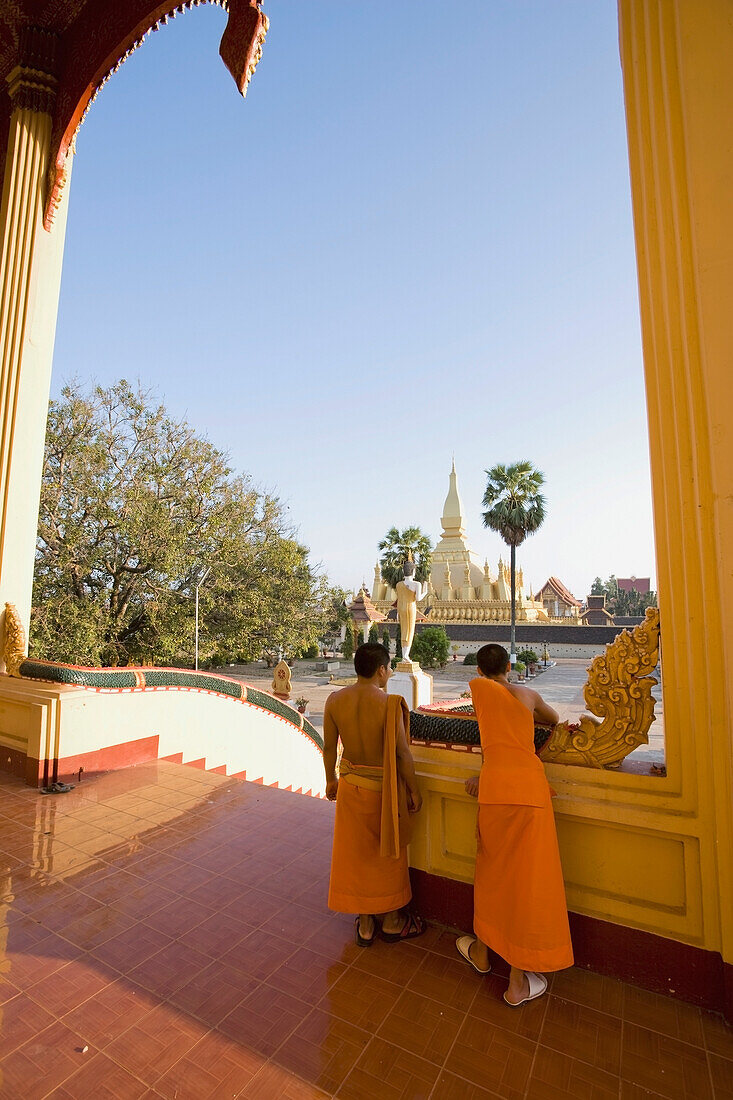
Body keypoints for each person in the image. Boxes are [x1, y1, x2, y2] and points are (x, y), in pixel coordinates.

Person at [456, 643, 573, 1005]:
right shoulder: (528, 693)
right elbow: (553, 719)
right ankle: (518, 981)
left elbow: (493, 733)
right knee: (527, 882)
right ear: (509, 665)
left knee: (492, 875)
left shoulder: (479, 691)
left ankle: (481, 950)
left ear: (479, 670)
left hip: (494, 789)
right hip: (529, 793)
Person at [323, 642, 425, 945]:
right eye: (390, 667)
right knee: (385, 856)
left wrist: (331, 780)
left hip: (351, 788)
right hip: (382, 793)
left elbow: (330, 747)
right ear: (381, 670)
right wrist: (414, 791)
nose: (390, 672)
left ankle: (365, 924)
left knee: (356, 858)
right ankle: (392, 921)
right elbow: (403, 754)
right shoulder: (389, 703)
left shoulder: (334, 700)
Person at [395, 558, 427, 662]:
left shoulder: (398, 584)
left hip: (401, 608)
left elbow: (399, 599)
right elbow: (418, 599)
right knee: (409, 631)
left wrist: (397, 613)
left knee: (404, 631)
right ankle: (406, 655)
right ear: (413, 571)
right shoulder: (416, 584)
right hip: (410, 608)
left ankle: (404, 655)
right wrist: (425, 592)